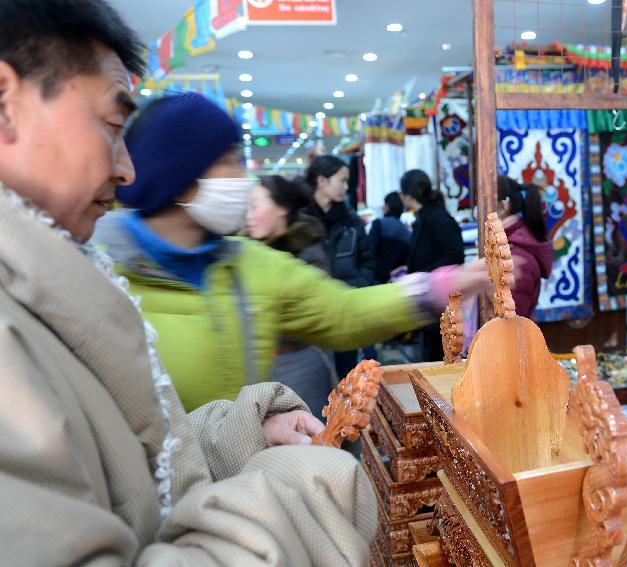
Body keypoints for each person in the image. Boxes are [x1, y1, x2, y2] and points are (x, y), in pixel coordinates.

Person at [0, 1, 478, 563]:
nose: (123, 167)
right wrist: (303, 491)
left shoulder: (237, 262)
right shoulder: (91, 275)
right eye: (110, 125)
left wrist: (247, 434)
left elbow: (135, 458)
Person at [92, 92, 487, 413]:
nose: (242, 178)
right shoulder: (95, 267)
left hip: (242, 481)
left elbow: (339, 312)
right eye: (228, 163)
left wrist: (440, 287)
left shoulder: (249, 261)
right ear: (180, 180)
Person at [246, 175, 337, 419]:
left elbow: (331, 312)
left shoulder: (308, 255)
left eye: (255, 206)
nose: (248, 215)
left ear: (281, 210)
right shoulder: (244, 253)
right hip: (260, 367)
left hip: (298, 366)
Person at [301, 155, 375, 375]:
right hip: (310, 318)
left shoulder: (352, 223)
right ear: (321, 181)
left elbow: (368, 261)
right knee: (314, 380)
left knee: (346, 380)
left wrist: (356, 289)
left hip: (345, 315)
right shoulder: (298, 222)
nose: (346, 187)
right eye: (341, 180)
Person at [400, 169, 465, 361]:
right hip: (430, 299)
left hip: (440, 301)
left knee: (437, 356)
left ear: (408, 195)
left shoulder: (437, 218)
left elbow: (455, 254)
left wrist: (428, 277)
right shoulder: (425, 216)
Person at [497, 175, 553, 318]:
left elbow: (510, 324)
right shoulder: (505, 245)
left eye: (484, 202)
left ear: (503, 206)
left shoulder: (518, 258)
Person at [370, 191, 411, 284]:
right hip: (397, 280)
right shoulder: (406, 232)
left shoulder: (379, 224)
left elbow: (369, 251)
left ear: (387, 207)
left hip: (376, 279)